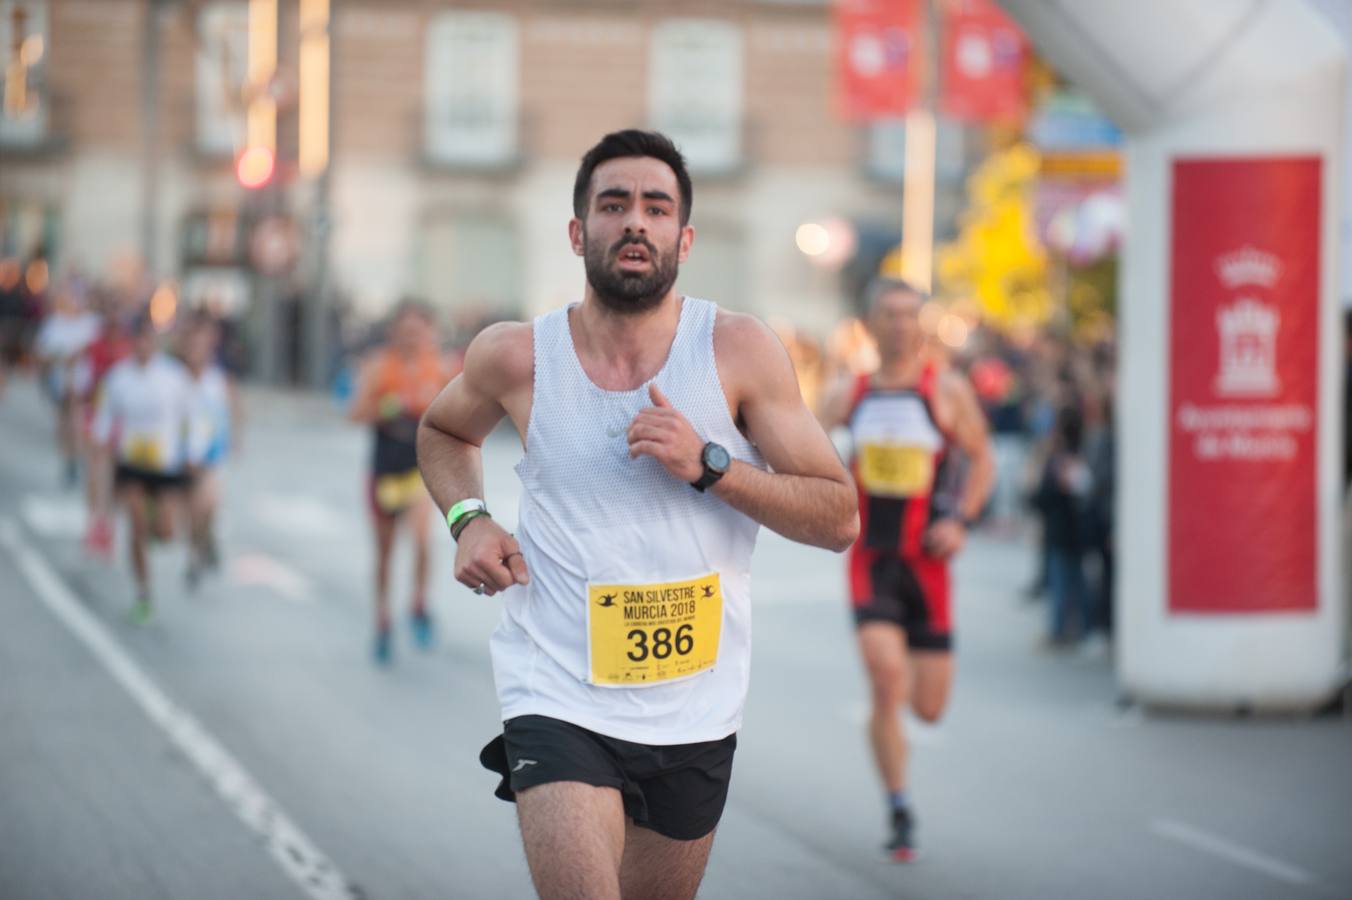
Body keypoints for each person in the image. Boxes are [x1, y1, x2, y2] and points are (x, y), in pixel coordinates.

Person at [416, 129, 857, 900]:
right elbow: (444, 431)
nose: (635, 222)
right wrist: (469, 518)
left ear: (683, 238)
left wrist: (711, 467)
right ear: (579, 231)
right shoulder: (517, 355)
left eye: (656, 208)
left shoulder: (738, 351)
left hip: (694, 706)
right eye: (614, 204)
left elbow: (837, 515)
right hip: (555, 690)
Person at [817, 277, 995, 862]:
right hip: (872, 560)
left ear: (920, 324)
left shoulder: (943, 389)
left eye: (908, 314)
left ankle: (899, 773)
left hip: (929, 566)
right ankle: (898, 804)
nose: (899, 324)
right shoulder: (850, 393)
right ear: (869, 323)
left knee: (929, 707)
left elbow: (983, 459)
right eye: (888, 314)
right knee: (885, 677)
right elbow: (803, 448)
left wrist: (961, 520)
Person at [349, 301, 456, 665]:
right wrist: (391, 407)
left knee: (424, 539)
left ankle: (419, 604)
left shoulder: (440, 368)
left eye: (420, 331)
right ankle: (382, 619)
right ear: (395, 332)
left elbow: (459, 414)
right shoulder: (379, 367)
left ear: (430, 333)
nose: (413, 338)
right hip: (384, 469)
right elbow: (356, 414)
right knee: (385, 552)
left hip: (419, 470)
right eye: (406, 331)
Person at [91, 312, 200, 623]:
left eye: (148, 340)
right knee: (136, 525)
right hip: (132, 465)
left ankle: (156, 527)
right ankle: (143, 591)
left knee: (166, 532)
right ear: (131, 342)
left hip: (165, 466)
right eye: (137, 339)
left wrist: (191, 453)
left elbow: (192, 418)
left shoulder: (174, 377)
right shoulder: (118, 377)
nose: (143, 346)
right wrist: (101, 457)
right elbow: (103, 423)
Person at [181, 314, 242, 587]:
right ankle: (197, 552)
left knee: (210, 503)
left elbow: (234, 409)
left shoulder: (218, 380)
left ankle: (204, 545)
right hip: (183, 456)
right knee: (193, 511)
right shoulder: (176, 379)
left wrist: (236, 439)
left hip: (211, 455)